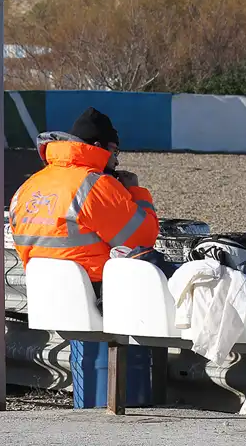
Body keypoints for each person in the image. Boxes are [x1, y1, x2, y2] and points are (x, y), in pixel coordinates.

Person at [9, 107, 161, 304]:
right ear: (98, 146)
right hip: (95, 299)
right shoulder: (95, 185)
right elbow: (143, 240)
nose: (116, 160)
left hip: (44, 298)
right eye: (115, 151)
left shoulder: (29, 186)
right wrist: (136, 192)